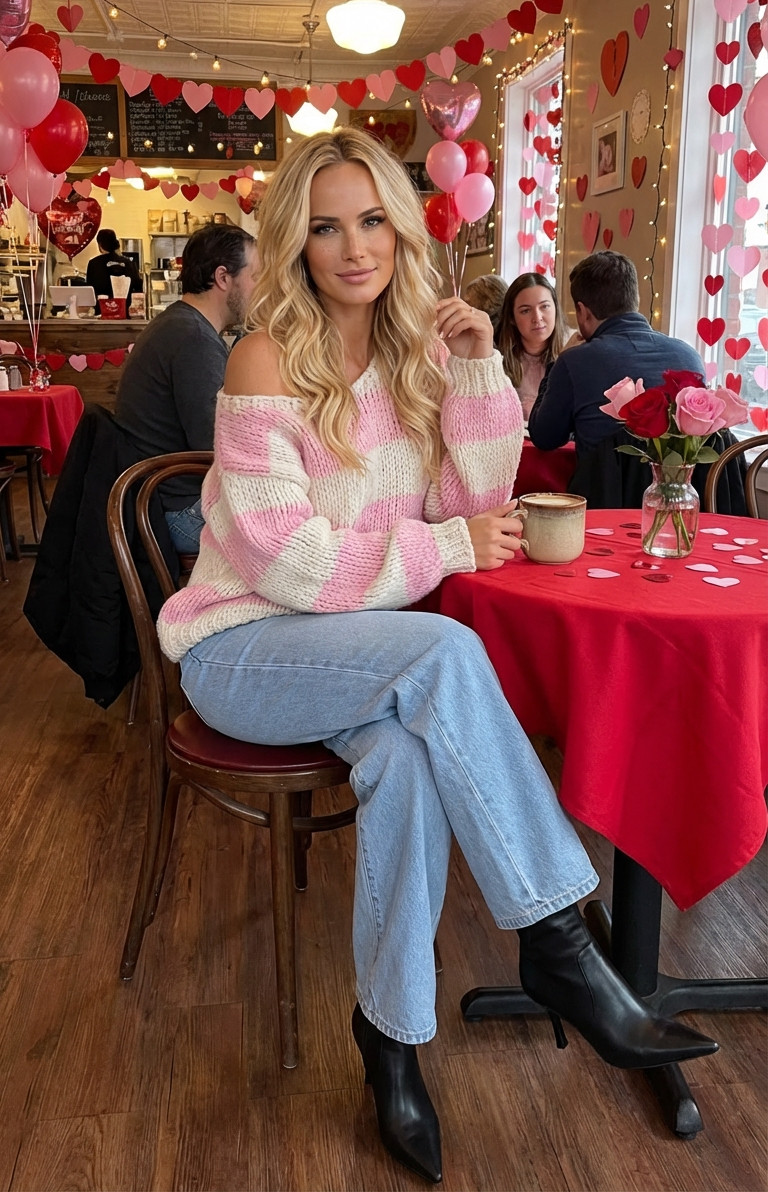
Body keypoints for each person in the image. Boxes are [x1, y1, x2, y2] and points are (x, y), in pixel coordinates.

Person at [156, 131, 715, 1184]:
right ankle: (564, 947)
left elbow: (475, 506)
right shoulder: (265, 355)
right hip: (245, 647)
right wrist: (446, 548)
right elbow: (287, 561)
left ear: (404, 231)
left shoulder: (421, 357)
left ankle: (392, 1037)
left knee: (409, 764)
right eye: (326, 225)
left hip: (355, 647)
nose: (353, 246)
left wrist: (475, 371)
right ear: (298, 241)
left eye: (371, 219)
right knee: (448, 654)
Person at [115, 223, 259, 552]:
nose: (260, 290)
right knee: (285, 540)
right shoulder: (193, 339)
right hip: (176, 513)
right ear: (224, 278)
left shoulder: (178, 324)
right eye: (256, 277)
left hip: (157, 502)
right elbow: (217, 447)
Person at [528, 251, 705, 458]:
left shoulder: (574, 362)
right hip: (678, 489)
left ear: (582, 311)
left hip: (597, 490)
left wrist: (555, 364)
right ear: (635, 299)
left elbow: (544, 437)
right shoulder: (690, 356)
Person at [497, 273, 569, 421]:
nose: (537, 318)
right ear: (511, 318)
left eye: (545, 307)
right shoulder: (497, 358)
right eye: (525, 310)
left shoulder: (574, 348)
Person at [86, 229, 142, 314]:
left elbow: (89, 290)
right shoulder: (128, 262)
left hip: (102, 311)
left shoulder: (94, 263)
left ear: (100, 244)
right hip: (125, 312)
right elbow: (137, 286)